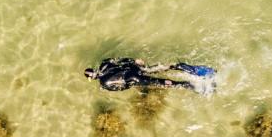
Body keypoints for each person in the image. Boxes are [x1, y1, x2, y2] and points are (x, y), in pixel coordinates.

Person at [83, 58, 216, 93]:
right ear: (94, 68)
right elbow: (122, 60)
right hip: (136, 68)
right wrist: (135, 61)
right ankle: (196, 71)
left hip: (134, 78)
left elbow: (123, 87)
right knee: (168, 66)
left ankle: (196, 87)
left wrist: (136, 83)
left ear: (91, 78)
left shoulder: (104, 84)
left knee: (164, 83)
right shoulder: (104, 63)